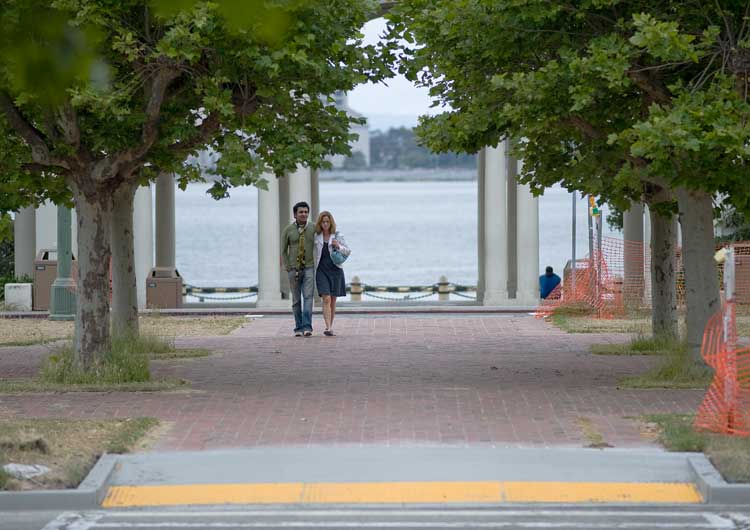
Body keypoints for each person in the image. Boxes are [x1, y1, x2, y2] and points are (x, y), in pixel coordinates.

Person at [281, 201, 316, 337]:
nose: (304, 214)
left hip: (309, 268)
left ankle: (307, 327)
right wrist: (288, 267)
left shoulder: (313, 228)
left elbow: (325, 238)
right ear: (295, 214)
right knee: (296, 300)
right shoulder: (288, 230)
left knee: (308, 297)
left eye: (306, 212)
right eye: (301, 212)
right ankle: (298, 327)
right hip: (293, 270)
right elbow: (283, 251)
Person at [314, 211, 350, 336]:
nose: (325, 224)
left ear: (331, 223)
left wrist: (338, 246)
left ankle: (330, 326)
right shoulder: (316, 236)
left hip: (335, 270)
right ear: (320, 223)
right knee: (326, 299)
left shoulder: (337, 235)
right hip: (321, 271)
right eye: (323, 222)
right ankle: (328, 327)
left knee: (333, 300)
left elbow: (348, 251)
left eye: (327, 222)